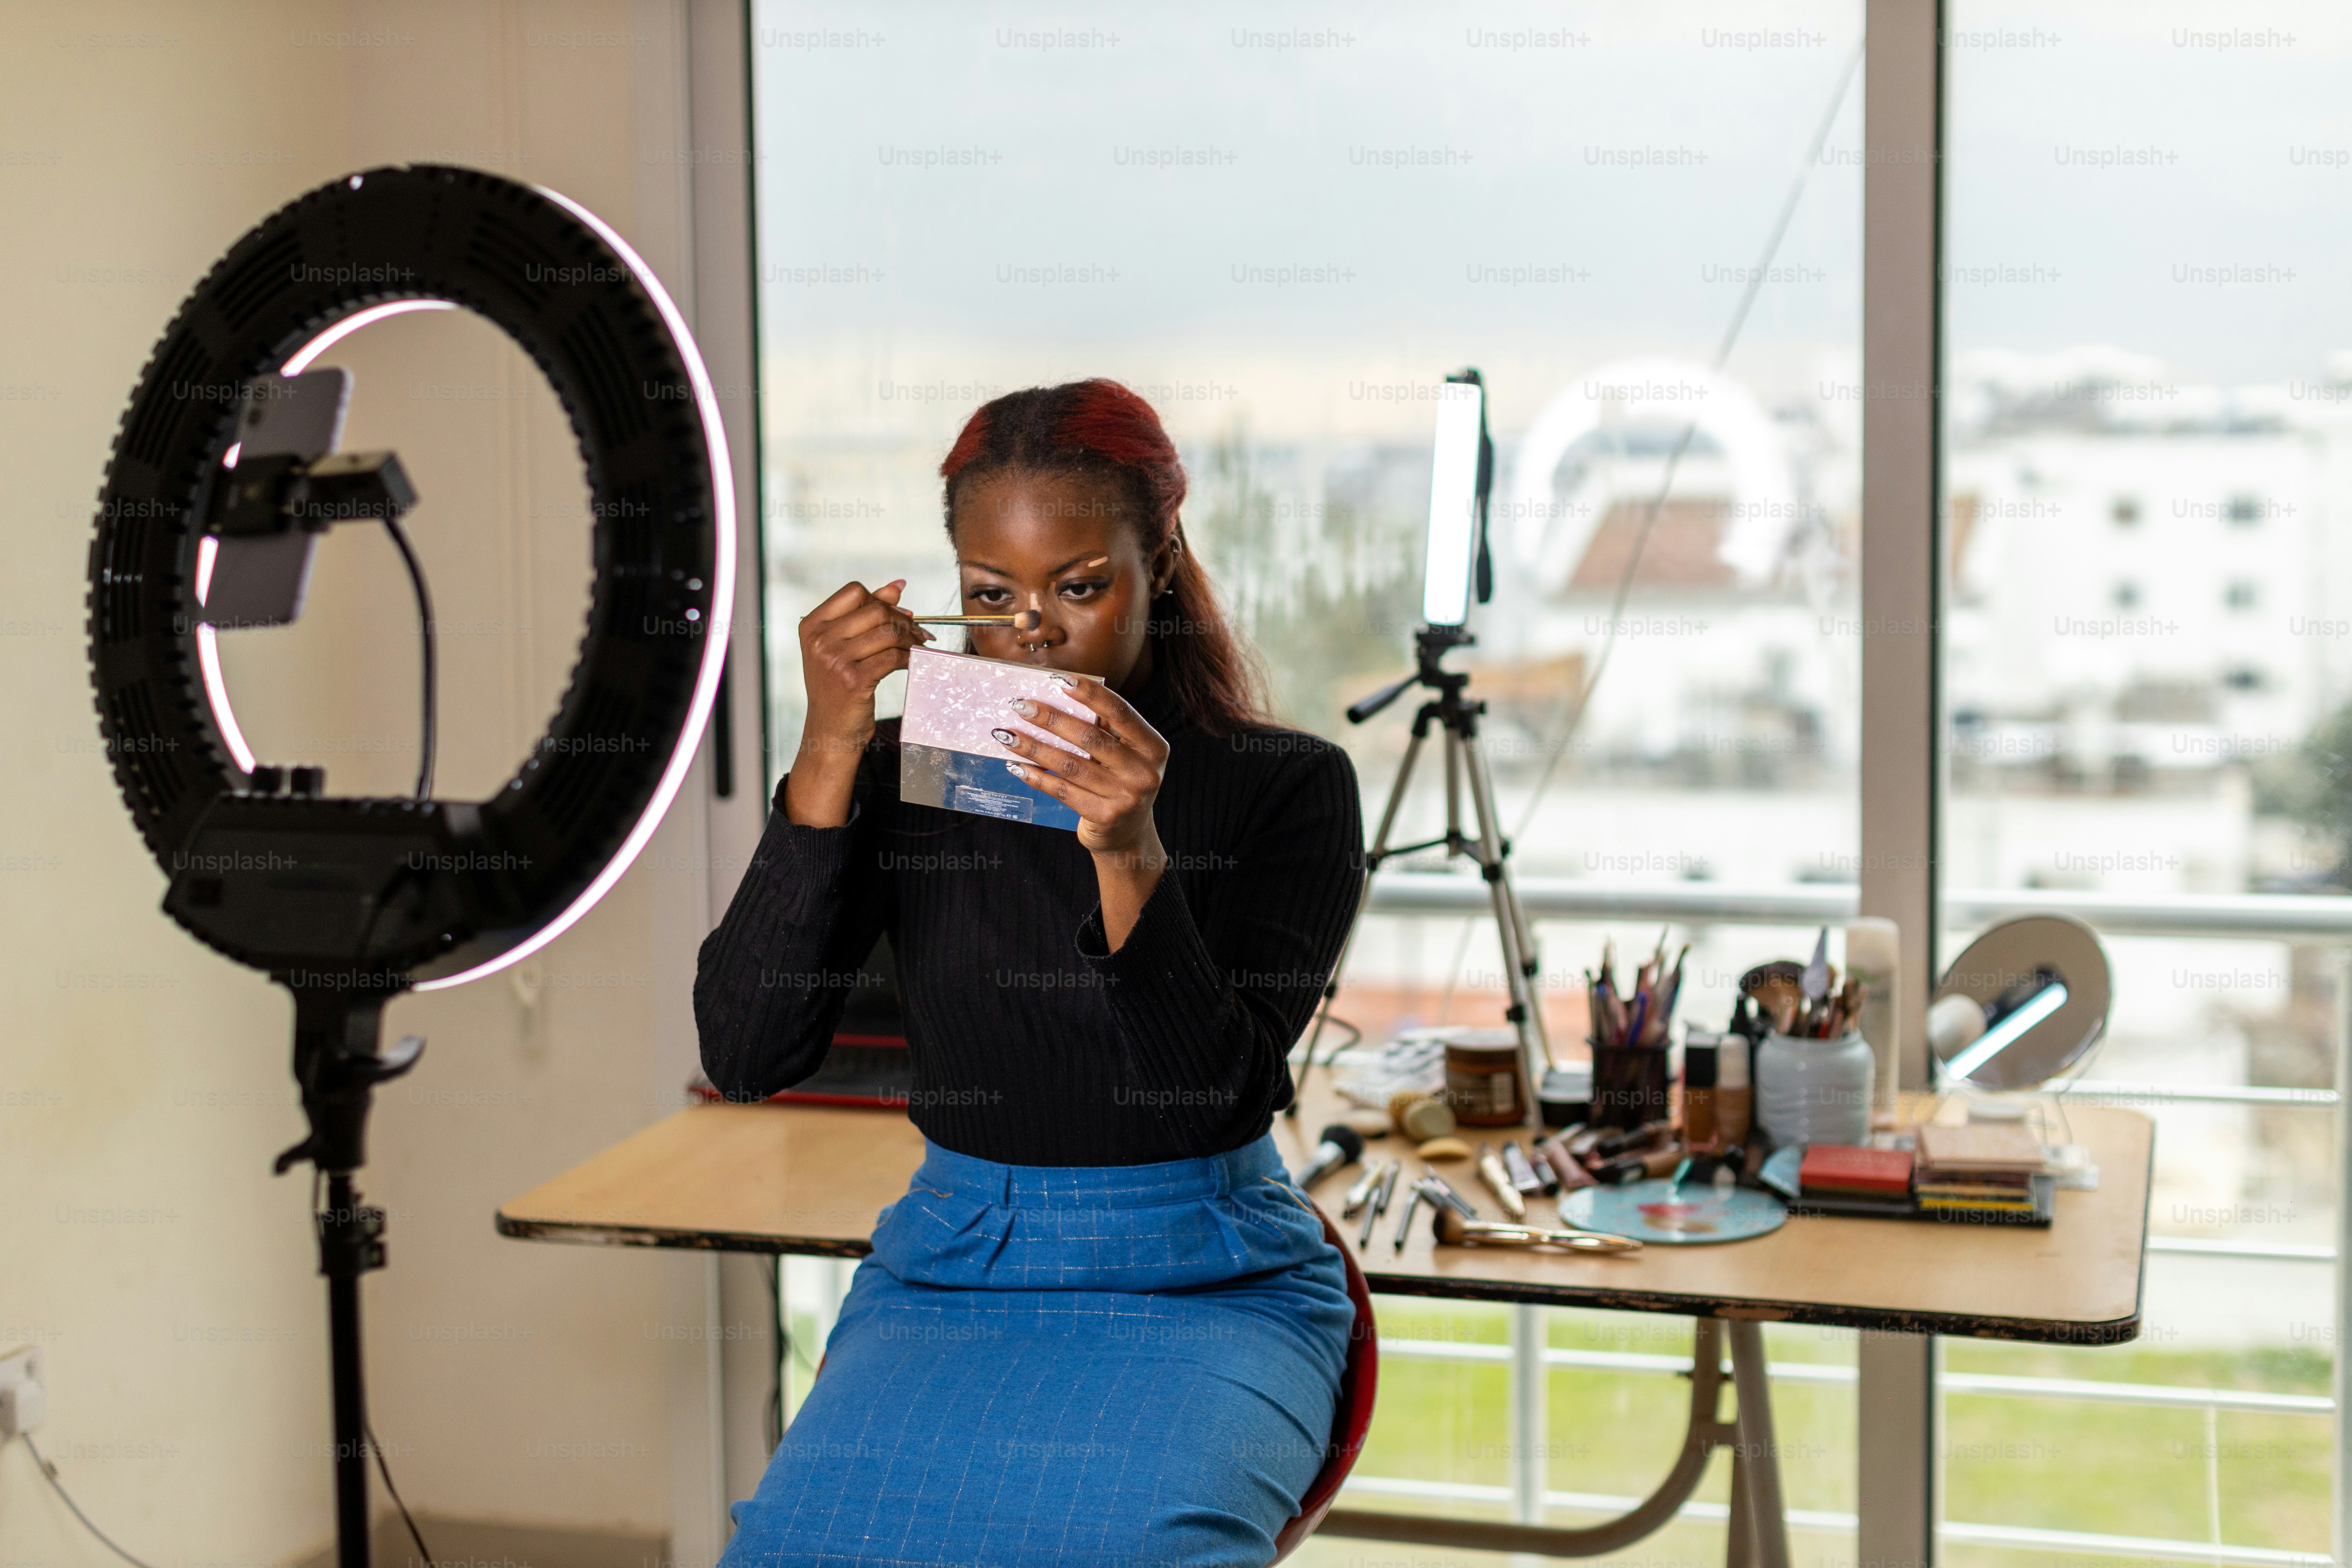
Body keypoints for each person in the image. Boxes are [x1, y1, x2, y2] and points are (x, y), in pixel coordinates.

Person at [696, 378, 1365, 1566]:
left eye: (1081, 586)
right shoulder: (907, 775)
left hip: (1202, 1276)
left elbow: (1213, 1097)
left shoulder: (1288, 787)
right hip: (955, 1264)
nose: (1035, 634)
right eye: (991, 597)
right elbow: (745, 1052)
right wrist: (830, 745)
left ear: (1160, 563)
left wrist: (1128, 852)